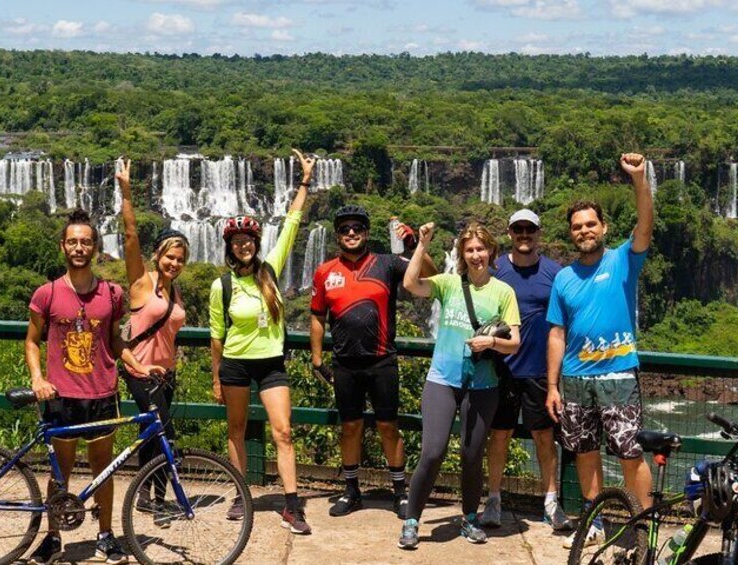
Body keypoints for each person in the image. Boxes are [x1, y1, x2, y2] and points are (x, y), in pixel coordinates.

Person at [25, 209, 154, 565]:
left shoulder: (111, 294)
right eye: (72, 242)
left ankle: (106, 535)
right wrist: (38, 378)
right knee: (59, 474)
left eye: (85, 241)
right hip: (60, 395)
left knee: (104, 470)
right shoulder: (47, 294)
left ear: (95, 246)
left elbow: (115, 340)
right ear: (62, 246)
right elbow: (32, 341)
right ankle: (52, 537)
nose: (79, 247)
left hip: (102, 394)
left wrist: (139, 366)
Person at [545, 153, 654, 549]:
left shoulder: (624, 259)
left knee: (630, 454)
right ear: (571, 234)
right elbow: (556, 333)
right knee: (585, 453)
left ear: (604, 227)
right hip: (574, 381)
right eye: (577, 227)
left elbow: (645, 224)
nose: (585, 230)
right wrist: (552, 386)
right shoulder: (563, 278)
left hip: (618, 377)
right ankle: (595, 524)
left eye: (591, 224)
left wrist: (639, 178)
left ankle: (642, 528)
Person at [209, 149, 315, 535]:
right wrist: (216, 378)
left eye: (249, 239)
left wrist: (304, 181)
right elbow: (217, 337)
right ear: (230, 246)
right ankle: (241, 496)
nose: (244, 245)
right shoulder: (220, 286)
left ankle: (291, 504)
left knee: (283, 432)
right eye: (237, 241)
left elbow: (292, 223)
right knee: (235, 430)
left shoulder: (270, 270)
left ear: (256, 242)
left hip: (272, 362)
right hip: (235, 363)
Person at [398, 222, 521, 550]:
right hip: (442, 380)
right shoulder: (449, 283)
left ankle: (469, 517)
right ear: (461, 255)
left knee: (471, 455)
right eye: (470, 250)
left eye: (481, 249)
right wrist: (421, 244)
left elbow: (515, 342)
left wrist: (491, 341)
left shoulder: (503, 292)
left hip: (483, 385)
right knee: (433, 451)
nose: (476, 255)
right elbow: (411, 283)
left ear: (491, 251)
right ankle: (412, 520)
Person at [309, 206, 436, 520]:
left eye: (357, 228)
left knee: (388, 427)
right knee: (350, 427)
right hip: (345, 363)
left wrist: (415, 244)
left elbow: (430, 275)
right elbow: (316, 316)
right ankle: (351, 491)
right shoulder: (325, 271)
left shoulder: (387, 263)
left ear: (366, 232)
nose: (351, 233)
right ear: (337, 235)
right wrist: (316, 358)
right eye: (344, 229)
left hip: (382, 361)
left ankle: (399, 493)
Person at [480, 208, 573, 532]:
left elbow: (563, 322)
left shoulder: (554, 272)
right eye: (518, 229)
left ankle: (550, 501)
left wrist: (554, 382)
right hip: (500, 368)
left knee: (544, 438)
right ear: (509, 233)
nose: (524, 235)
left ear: (538, 233)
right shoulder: (495, 269)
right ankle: (493, 499)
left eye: (529, 230)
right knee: (500, 436)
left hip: (538, 370)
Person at [116, 159, 189, 526]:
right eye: (169, 256)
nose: (174, 263)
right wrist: (126, 190)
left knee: (152, 434)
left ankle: (150, 496)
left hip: (166, 373)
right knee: (165, 434)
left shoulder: (176, 293)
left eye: (180, 259)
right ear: (157, 255)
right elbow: (130, 237)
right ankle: (155, 499)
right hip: (139, 369)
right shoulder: (141, 282)